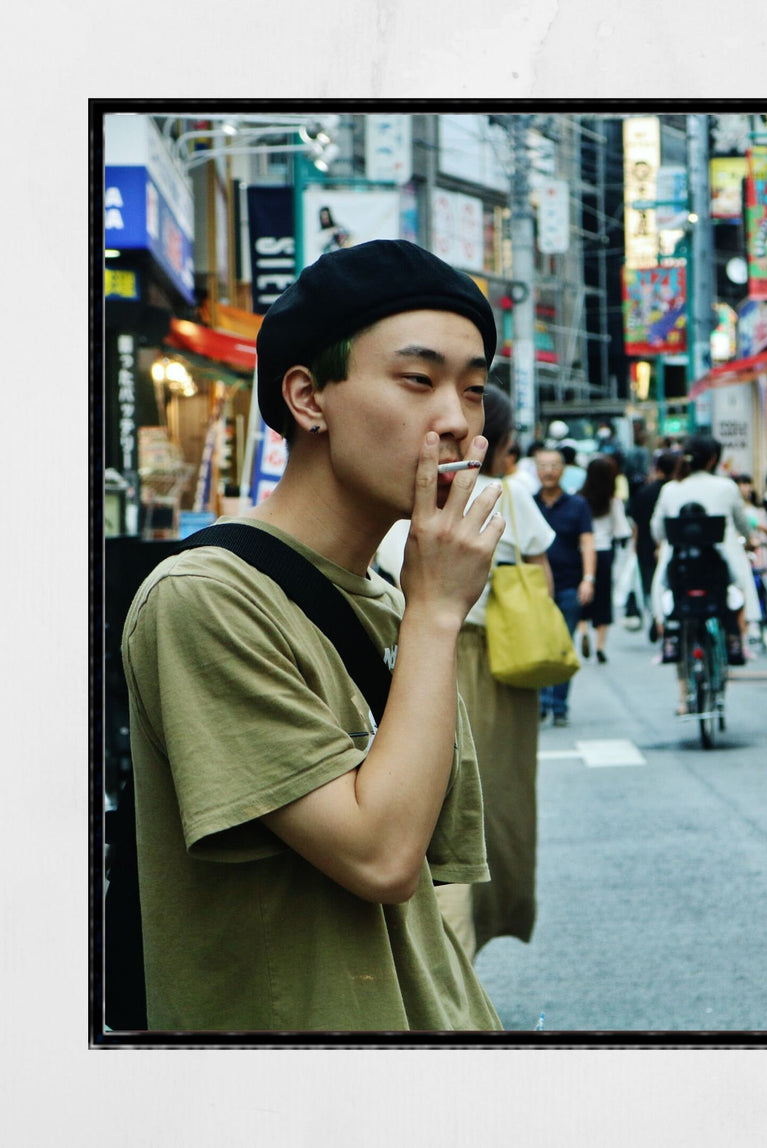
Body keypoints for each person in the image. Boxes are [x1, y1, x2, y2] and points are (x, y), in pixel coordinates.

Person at [120, 239, 506, 1030]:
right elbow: (382, 854)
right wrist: (437, 616)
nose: (456, 423)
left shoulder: (390, 590)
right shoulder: (206, 599)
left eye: (472, 392)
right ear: (307, 398)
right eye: (417, 380)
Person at [374, 388, 555, 960]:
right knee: (488, 802)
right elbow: (541, 574)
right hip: (489, 658)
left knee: (422, 801)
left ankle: (438, 950)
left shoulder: (397, 495)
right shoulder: (508, 495)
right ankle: (458, 954)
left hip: (404, 651)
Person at [651, 433, 761, 654]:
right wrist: (751, 540)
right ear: (713, 459)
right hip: (720, 564)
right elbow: (743, 524)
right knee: (738, 589)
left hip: (679, 566)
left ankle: (671, 641)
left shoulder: (671, 489)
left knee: (666, 594)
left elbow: (657, 531)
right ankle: (735, 639)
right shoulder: (726, 487)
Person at [534, 447, 596, 726]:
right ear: (536, 469)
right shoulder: (528, 503)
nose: (548, 471)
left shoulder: (578, 505)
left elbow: (587, 543)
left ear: (563, 470)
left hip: (570, 584)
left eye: (554, 465)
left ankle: (558, 705)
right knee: (538, 644)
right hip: (534, 586)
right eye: (543, 465)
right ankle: (541, 702)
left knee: (562, 645)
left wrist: (589, 578)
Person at [573, 454, 632, 665]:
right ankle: (600, 645)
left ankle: (583, 631)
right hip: (605, 552)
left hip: (582, 552)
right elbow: (621, 530)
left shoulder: (578, 498)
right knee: (603, 597)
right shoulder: (612, 500)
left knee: (582, 594)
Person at [627, 448, 681, 639]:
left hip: (645, 544)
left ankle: (655, 617)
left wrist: (634, 544)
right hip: (673, 544)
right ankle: (669, 616)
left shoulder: (644, 492)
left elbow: (635, 522)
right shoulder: (676, 491)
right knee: (673, 581)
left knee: (650, 584)